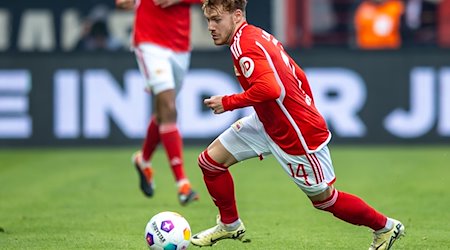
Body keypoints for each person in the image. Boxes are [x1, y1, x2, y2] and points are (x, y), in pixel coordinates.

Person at [191, 0, 405, 249]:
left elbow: (271, 89)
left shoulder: (244, 45)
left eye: (216, 20)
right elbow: (298, 73)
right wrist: (306, 104)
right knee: (210, 162)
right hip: (268, 122)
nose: (211, 27)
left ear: (237, 15)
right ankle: (230, 225)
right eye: (208, 20)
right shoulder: (257, 35)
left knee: (325, 200)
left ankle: (386, 227)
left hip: (295, 135)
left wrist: (228, 102)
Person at [115, 0, 203, 206]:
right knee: (170, 108)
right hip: (150, 41)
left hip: (180, 45)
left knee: (163, 111)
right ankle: (183, 185)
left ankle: (143, 160)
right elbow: (122, 2)